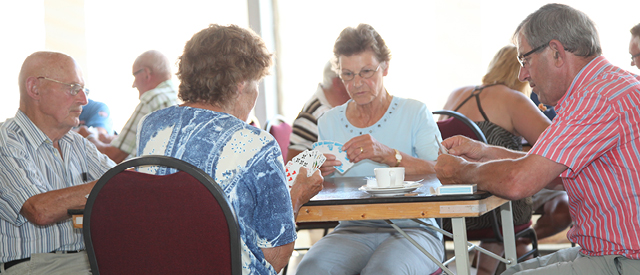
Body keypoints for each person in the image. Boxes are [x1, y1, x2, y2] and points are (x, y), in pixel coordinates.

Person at [435, 4, 640, 274]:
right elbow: (549, 169)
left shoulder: (596, 98)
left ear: (556, 52)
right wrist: (484, 151)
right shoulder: (602, 87)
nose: (522, 74)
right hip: (607, 251)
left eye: (525, 60)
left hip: (624, 258)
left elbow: (520, 181)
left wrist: (461, 171)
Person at [135, 24, 324, 275]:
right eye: (256, 83)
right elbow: (275, 259)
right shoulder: (257, 144)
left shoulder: (151, 126)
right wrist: (298, 195)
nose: (256, 92)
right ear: (239, 84)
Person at [296, 23, 444, 275]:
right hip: (353, 228)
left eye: (366, 71)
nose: (357, 83)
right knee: (310, 269)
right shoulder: (329, 121)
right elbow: (321, 188)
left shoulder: (415, 112)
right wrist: (319, 174)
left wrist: (389, 155)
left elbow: (442, 172)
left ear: (385, 68)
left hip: (415, 227)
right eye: (348, 74)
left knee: (384, 271)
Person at [440, 45, 552, 274]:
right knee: (506, 190)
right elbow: (558, 145)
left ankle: (482, 269)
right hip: (492, 211)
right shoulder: (512, 99)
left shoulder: (456, 94)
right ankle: (487, 270)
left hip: (448, 211)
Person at [0, 51, 115, 274]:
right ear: (34, 88)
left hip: (90, 259)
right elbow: (40, 210)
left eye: (84, 90)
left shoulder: (76, 143)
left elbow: (126, 185)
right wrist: (111, 185)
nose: (84, 100)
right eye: (73, 88)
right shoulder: (6, 141)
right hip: (34, 265)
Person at [80, 50, 179, 163]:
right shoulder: (177, 98)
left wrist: (87, 137)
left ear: (146, 73)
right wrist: (115, 140)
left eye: (135, 75)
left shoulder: (152, 99)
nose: (133, 84)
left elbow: (114, 156)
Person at [286, 60, 350, 162]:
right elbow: (293, 164)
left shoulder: (342, 108)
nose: (358, 83)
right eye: (350, 76)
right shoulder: (313, 115)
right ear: (337, 82)